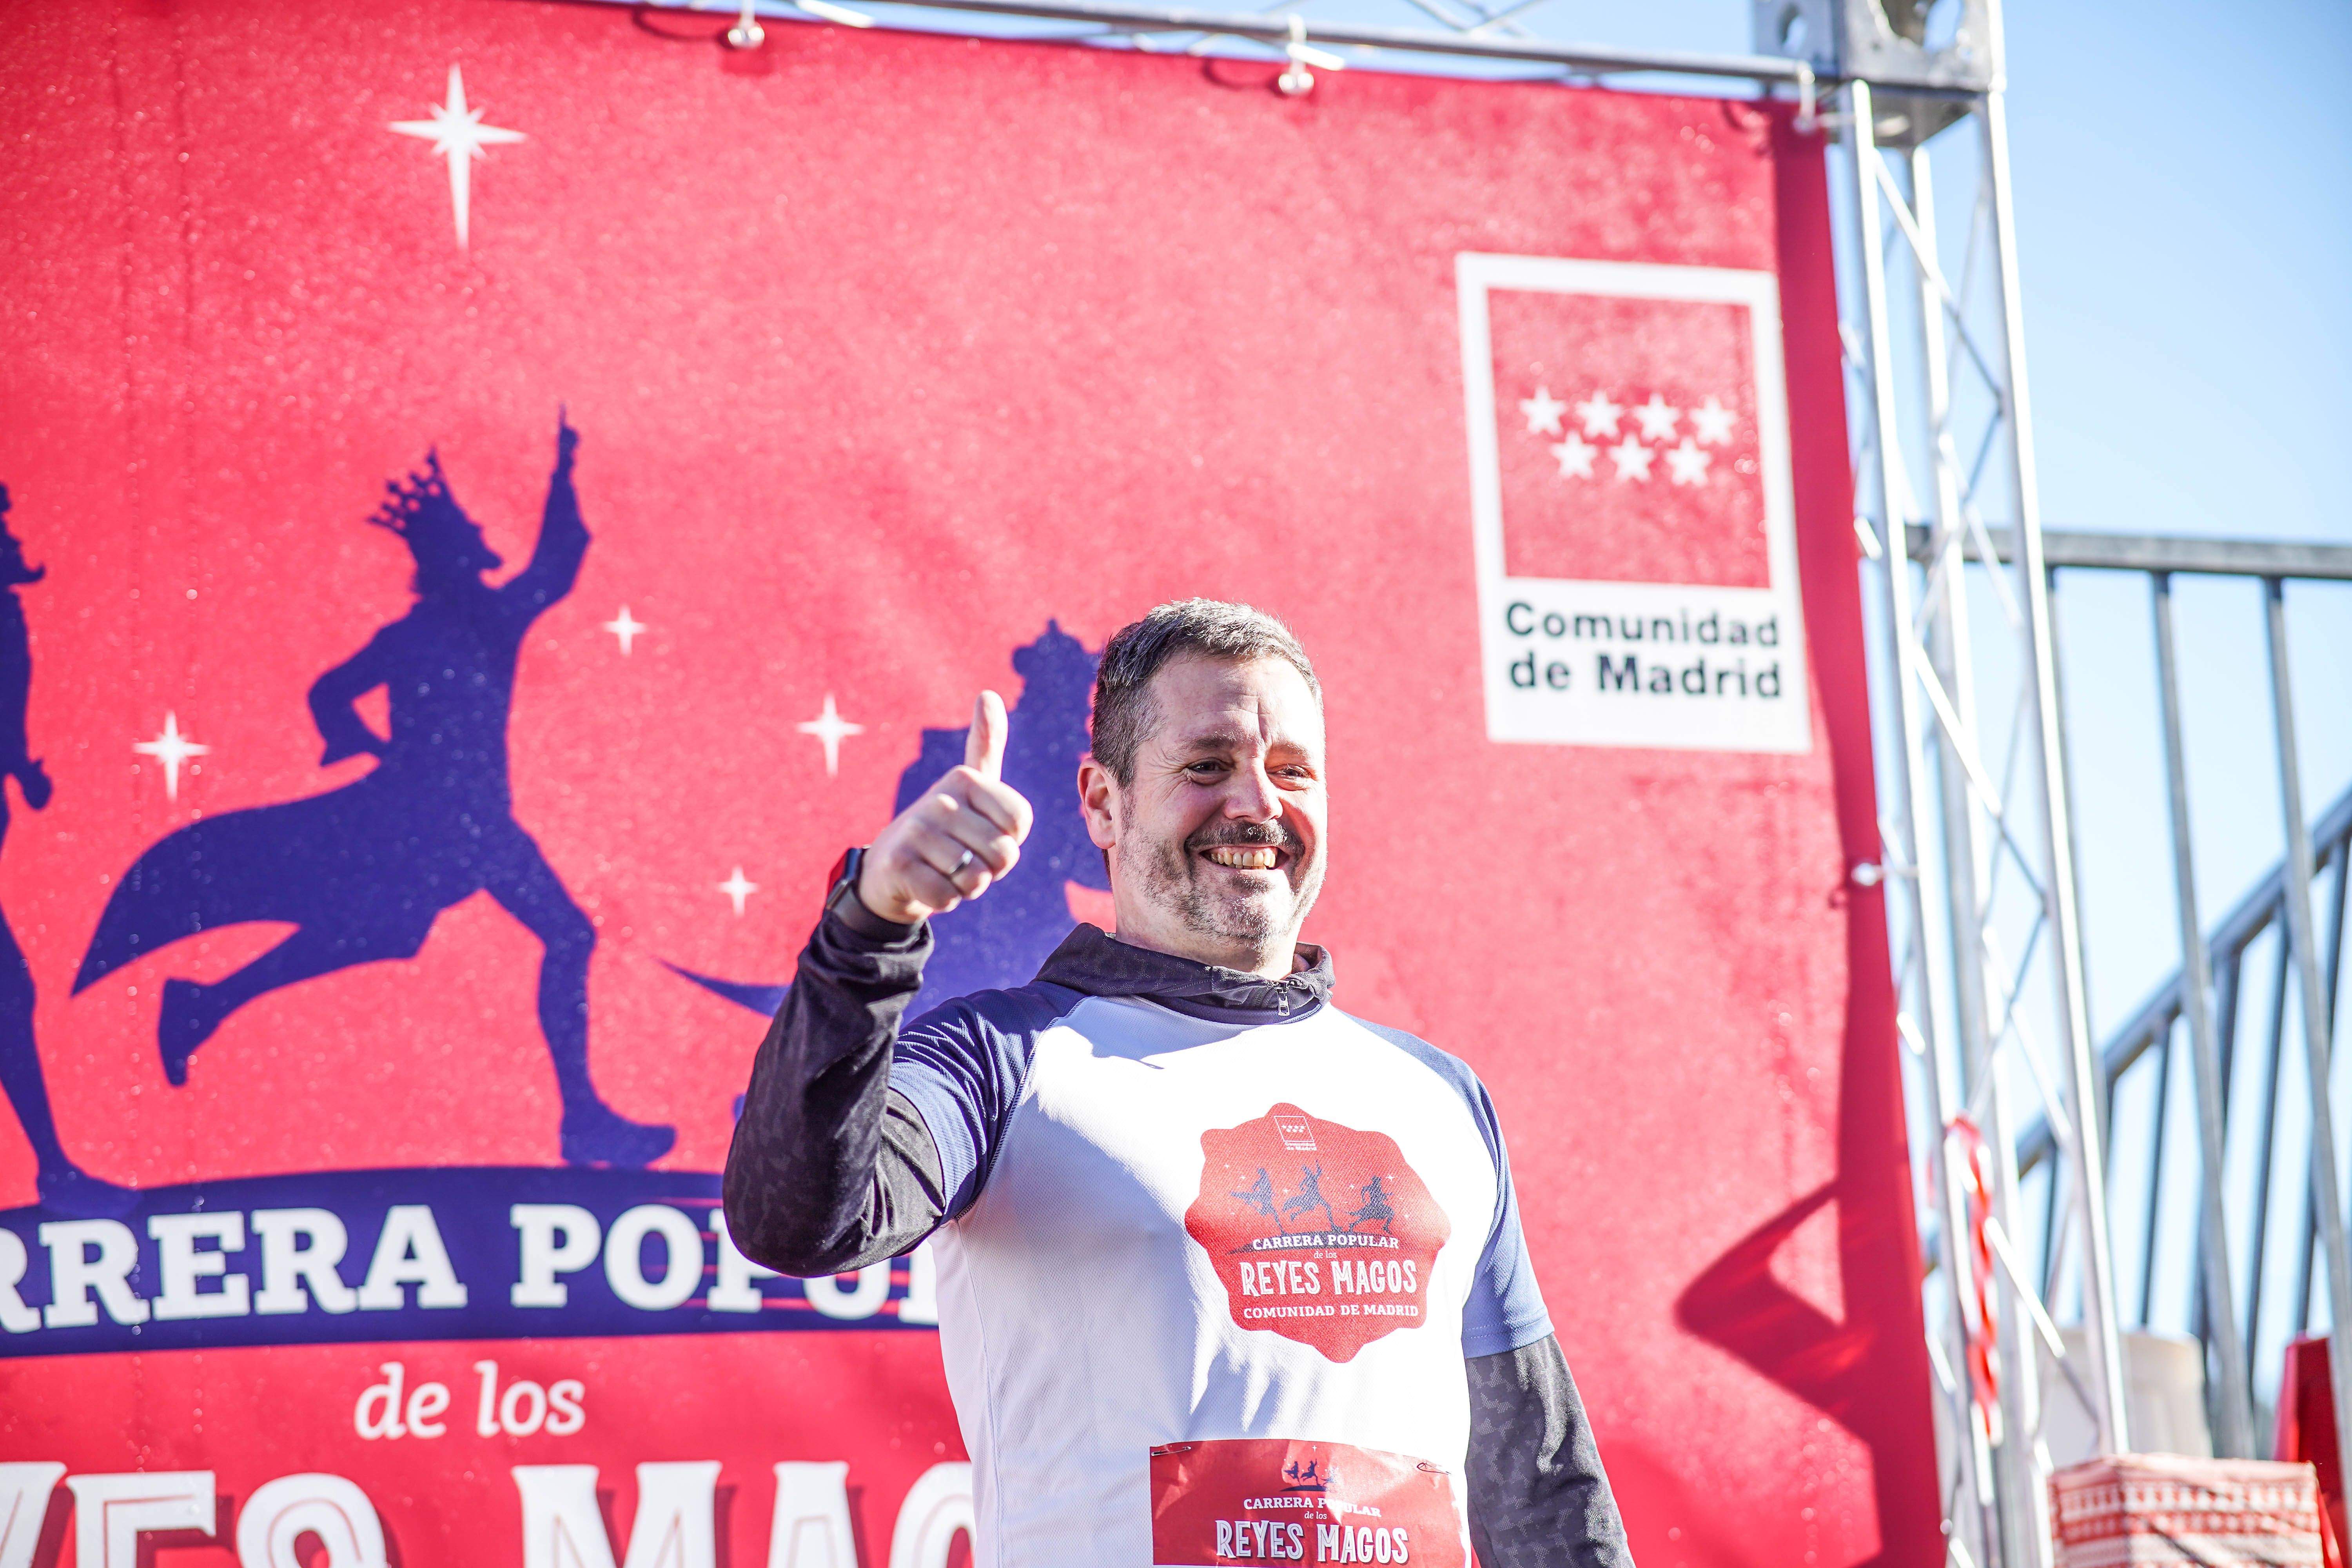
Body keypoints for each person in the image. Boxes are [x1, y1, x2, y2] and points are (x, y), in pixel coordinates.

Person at [726, 599, 1631, 1566]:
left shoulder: (1440, 1095)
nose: (1257, 803)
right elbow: (796, 1216)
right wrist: (873, 924)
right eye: (1206, 766)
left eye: (1292, 770)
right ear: (1103, 802)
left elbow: (1537, 1481)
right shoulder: (1001, 1058)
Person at [73, 416, 671, 1169]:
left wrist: (361, 742)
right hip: (458, 830)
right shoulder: (477, 623)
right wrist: (562, 472)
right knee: (556, 934)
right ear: (452, 557)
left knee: (379, 931)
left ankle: (206, 1003)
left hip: (455, 823)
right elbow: (555, 567)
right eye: (471, 533)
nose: (486, 539)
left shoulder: (425, 631)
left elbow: (331, 691)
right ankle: (582, 1122)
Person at [0, 486, 134, 1216]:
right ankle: (55, 1173)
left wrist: (23, 771)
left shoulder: (10, 621)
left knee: (10, 997)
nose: (13, 540)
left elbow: (9, 720)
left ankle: (55, 1172)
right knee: (9, 996)